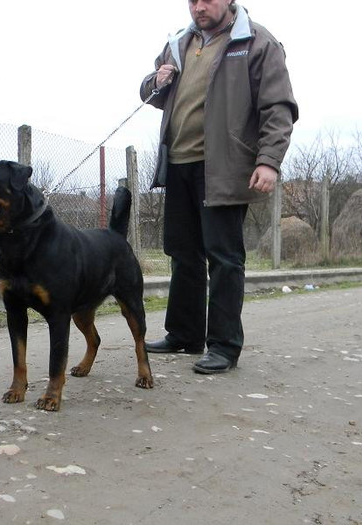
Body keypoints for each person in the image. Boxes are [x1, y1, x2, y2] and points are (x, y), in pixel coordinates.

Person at [141, 0, 298, 374]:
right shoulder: (178, 43)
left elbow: (278, 107)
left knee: (224, 258)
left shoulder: (256, 41)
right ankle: (184, 333)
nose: (198, 7)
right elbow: (149, 92)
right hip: (178, 163)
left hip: (225, 167)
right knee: (183, 253)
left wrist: (268, 160)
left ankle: (224, 346)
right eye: (192, 1)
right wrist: (156, 81)